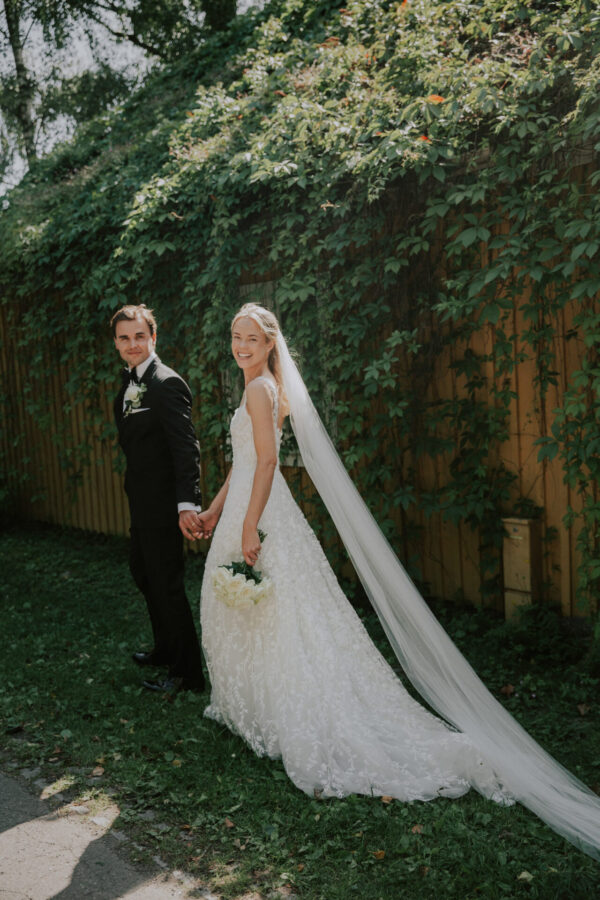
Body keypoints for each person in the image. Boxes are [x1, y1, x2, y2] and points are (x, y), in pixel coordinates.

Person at [197, 303, 600, 860]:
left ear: (270, 344)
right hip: (248, 504)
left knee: (281, 617)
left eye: (250, 338)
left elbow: (267, 464)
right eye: (235, 336)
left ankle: (293, 716)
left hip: (261, 512)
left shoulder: (260, 391)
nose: (240, 345)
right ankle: (258, 709)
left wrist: (248, 524)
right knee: (265, 614)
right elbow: (243, 463)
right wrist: (216, 510)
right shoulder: (260, 388)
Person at [112, 304, 205, 695]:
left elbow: (186, 448)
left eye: (139, 336)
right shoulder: (130, 384)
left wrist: (187, 505)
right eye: (124, 338)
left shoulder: (166, 383)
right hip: (142, 501)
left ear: (153, 337)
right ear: (116, 343)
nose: (132, 344)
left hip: (166, 505)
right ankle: (166, 648)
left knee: (166, 582)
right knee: (144, 572)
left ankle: (187, 674)